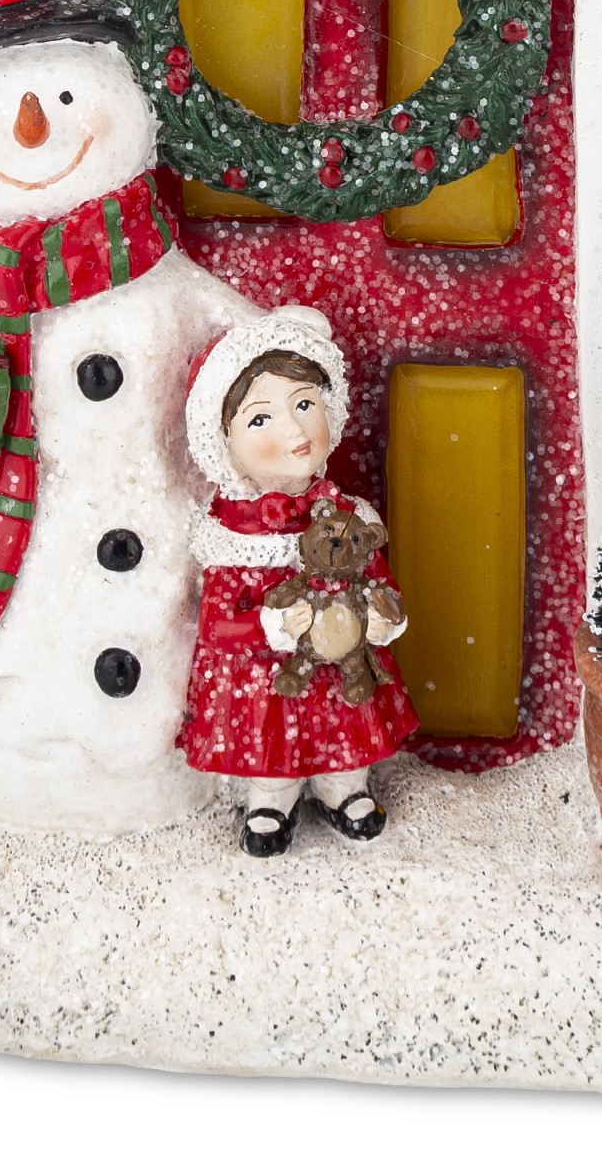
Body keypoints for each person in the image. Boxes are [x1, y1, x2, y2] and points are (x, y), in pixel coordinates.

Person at [181, 308, 418, 856]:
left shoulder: (344, 514)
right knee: (273, 740)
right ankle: (273, 799)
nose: (294, 431)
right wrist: (271, 625)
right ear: (224, 441)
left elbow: (376, 579)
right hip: (266, 677)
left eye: (305, 405)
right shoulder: (231, 535)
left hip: (341, 663)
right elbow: (217, 625)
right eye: (261, 419)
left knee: (346, 722)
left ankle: (344, 787)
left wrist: (383, 616)